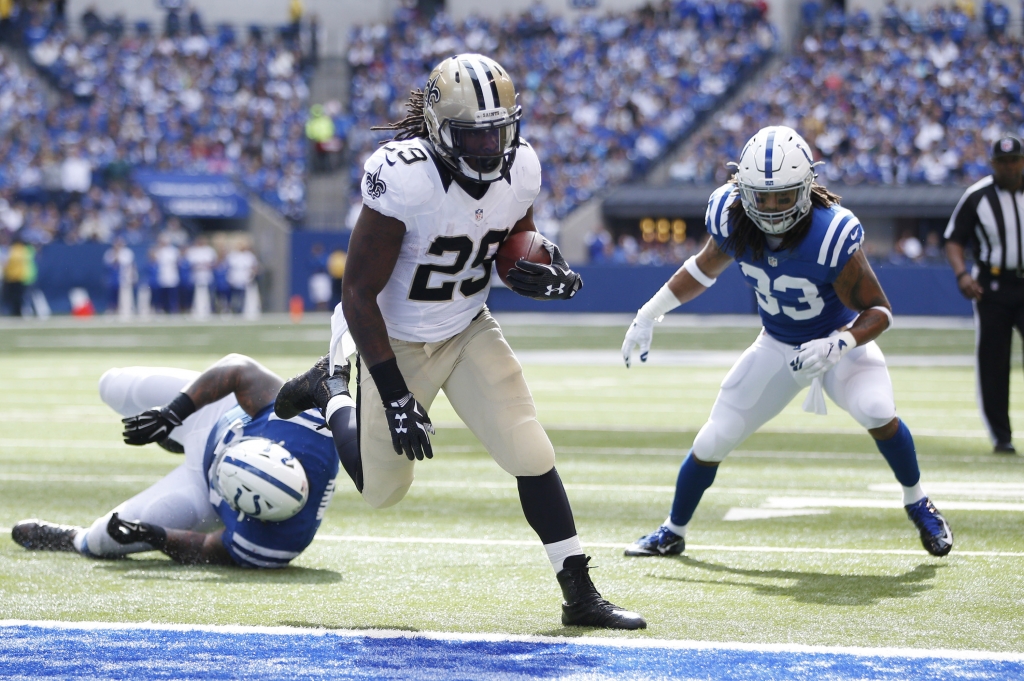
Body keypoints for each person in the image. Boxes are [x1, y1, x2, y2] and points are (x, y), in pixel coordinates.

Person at [275, 53, 644, 630]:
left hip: (468, 326)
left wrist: (541, 266)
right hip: (392, 339)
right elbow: (357, 292)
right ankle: (331, 391)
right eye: (475, 137)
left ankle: (579, 593)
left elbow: (511, 238)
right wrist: (394, 394)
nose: (491, 148)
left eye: (499, 132)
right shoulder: (405, 177)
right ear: (441, 132)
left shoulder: (521, 168)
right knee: (382, 491)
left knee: (530, 449)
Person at [621, 126, 953, 560]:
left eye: (783, 196)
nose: (773, 207)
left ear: (807, 188)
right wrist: (650, 312)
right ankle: (672, 531)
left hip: (835, 345)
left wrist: (840, 343)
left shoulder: (830, 233)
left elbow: (880, 311)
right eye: (762, 196)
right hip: (777, 345)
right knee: (712, 439)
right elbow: (703, 269)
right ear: (742, 188)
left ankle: (918, 501)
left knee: (877, 410)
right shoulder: (731, 215)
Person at [11, 354, 339, 568]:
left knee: (103, 540)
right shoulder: (308, 430)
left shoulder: (273, 545)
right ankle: (175, 435)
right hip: (217, 414)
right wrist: (172, 414)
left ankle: (72, 538)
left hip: (202, 487)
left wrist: (156, 536)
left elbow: (207, 549)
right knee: (113, 385)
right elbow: (239, 369)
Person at [944, 134, 1024, 454]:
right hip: (992, 287)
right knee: (993, 361)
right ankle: (1001, 437)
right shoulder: (977, 197)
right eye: (1002, 162)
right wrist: (962, 274)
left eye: (1014, 161)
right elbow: (954, 240)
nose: (1008, 167)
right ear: (992, 164)